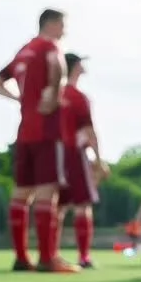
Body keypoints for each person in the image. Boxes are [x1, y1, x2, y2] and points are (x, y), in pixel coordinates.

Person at [0, 9, 75, 273]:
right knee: (47, 193)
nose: (64, 31)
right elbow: (58, 69)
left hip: (24, 130)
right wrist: (53, 91)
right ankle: (48, 258)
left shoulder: (23, 51)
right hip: (47, 130)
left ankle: (21, 257)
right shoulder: (49, 47)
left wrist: (19, 100)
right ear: (50, 24)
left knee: (21, 193)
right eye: (62, 25)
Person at [59, 52, 109, 270]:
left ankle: (50, 254)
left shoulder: (54, 95)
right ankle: (83, 256)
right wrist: (99, 161)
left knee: (56, 207)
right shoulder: (79, 97)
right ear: (75, 66)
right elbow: (89, 131)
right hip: (74, 155)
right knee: (82, 206)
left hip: (54, 154)